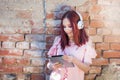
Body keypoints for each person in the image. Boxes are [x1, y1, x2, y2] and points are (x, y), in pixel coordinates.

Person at [47, 10, 97, 80]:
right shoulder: (58, 40)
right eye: (64, 26)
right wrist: (52, 66)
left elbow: (86, 69)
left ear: (79, 25)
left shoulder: (86, 43)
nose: (66, 30)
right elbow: (49, 64)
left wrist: (74, 60)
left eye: (70, 26)